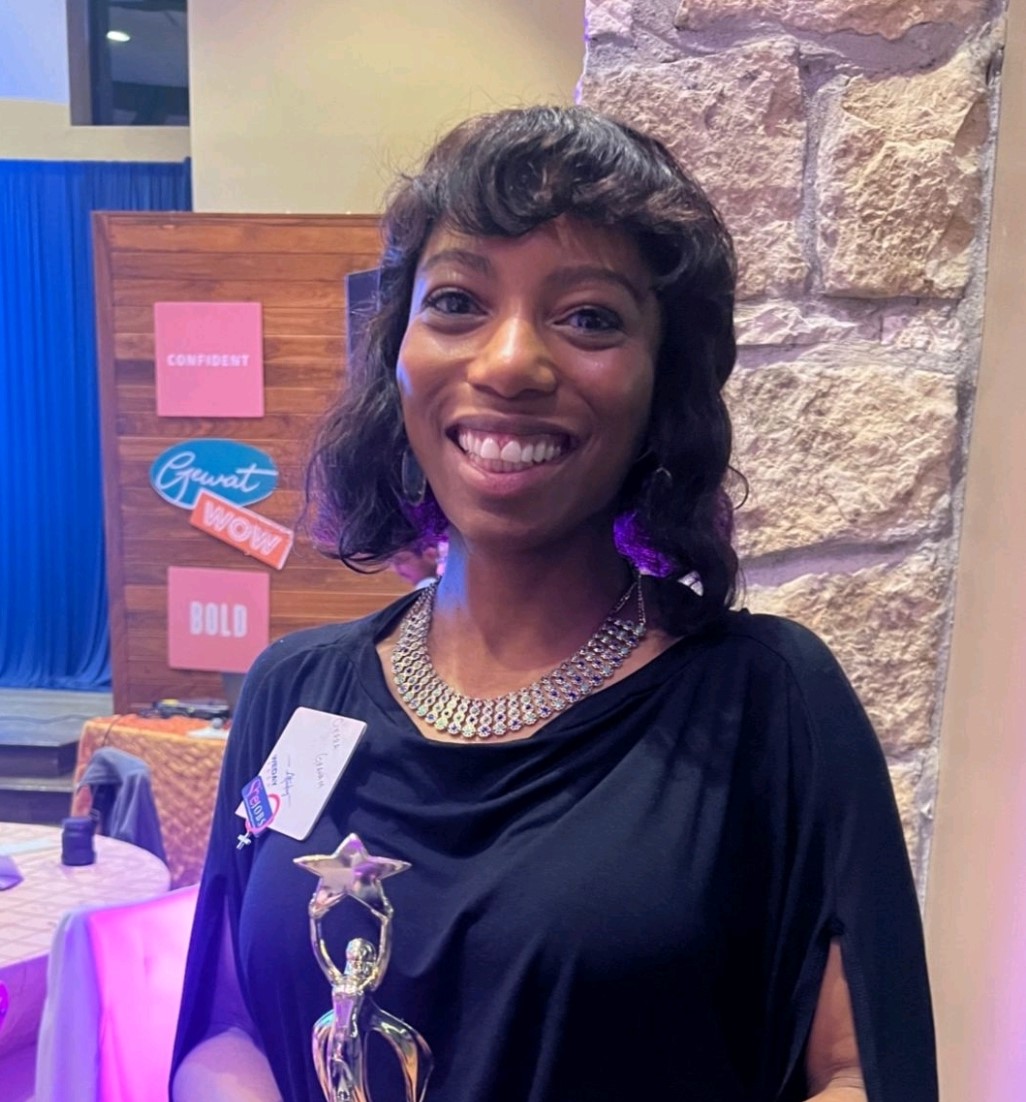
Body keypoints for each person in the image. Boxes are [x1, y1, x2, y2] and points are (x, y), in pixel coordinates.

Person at [172, 106, 936, 1102]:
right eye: (457, 302)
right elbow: (227, 1022)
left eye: (589, 318)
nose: (508, 362)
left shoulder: (768, 708)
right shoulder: (295, 698)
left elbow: (858, 1072)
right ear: (397, 354)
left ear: (664, 385)